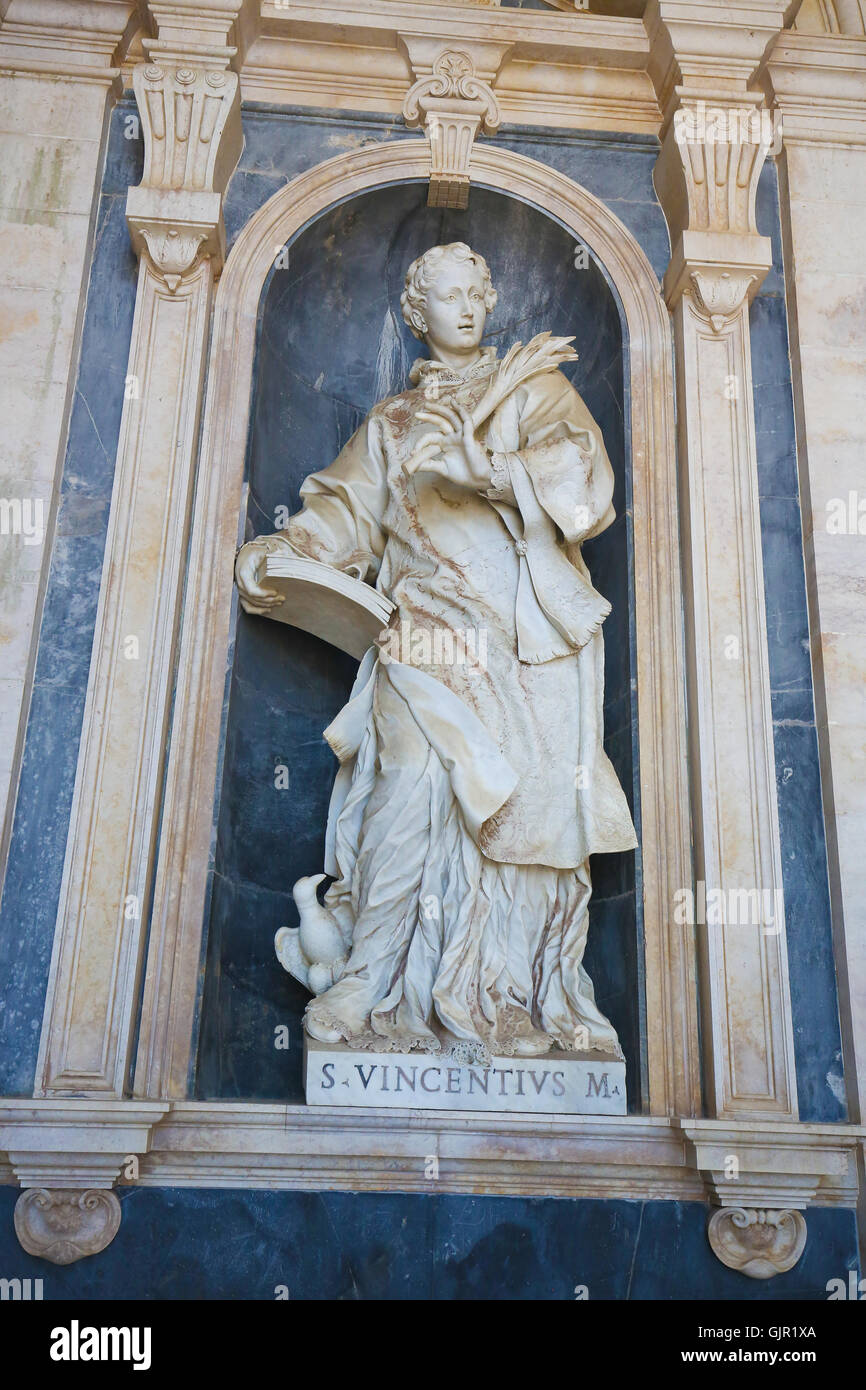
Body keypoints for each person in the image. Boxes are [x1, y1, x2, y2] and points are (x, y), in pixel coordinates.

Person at [235, 242, 637, 1062]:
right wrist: (284, 551)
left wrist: (485, 468)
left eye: (474, 294)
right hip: (421, 628)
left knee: (524, 813)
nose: (463, 308)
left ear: (489, 303)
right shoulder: (392, 423)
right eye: (444, 297)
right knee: (407, 781)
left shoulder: (533, 389)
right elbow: (344, 516)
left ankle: (511, 993)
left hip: (527, 642)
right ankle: (369, 976)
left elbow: (585, 485)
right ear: (417, 316)